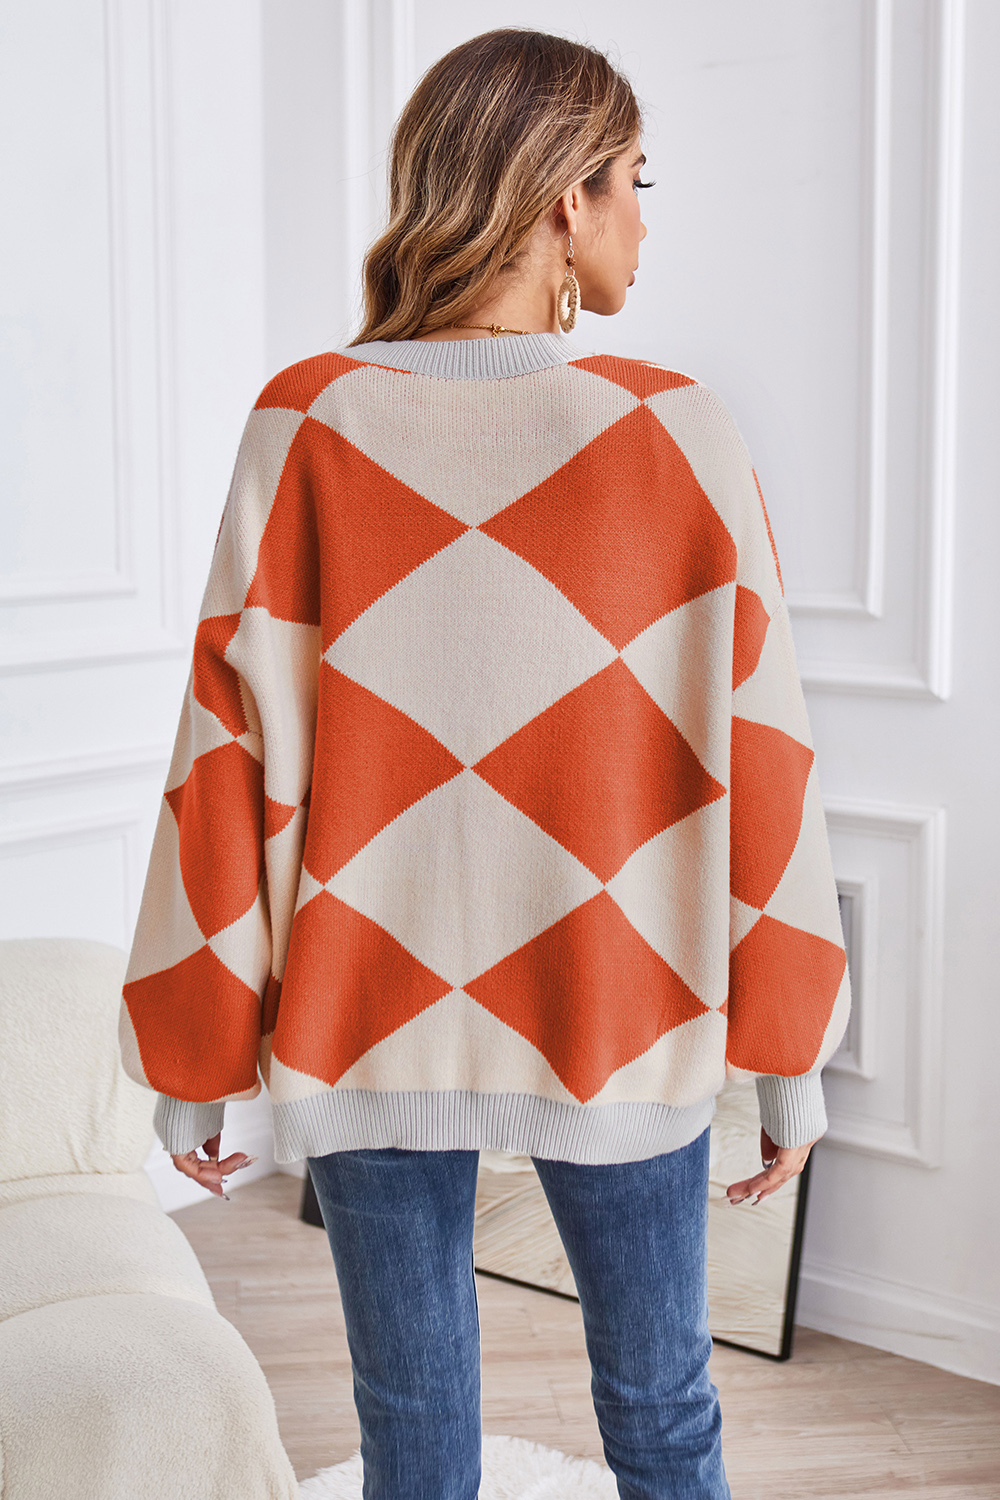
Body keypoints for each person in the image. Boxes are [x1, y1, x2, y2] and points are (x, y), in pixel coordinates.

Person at [119, 28, 850, 1500]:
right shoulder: (676, 431)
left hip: (366, 1021)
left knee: (413, 1435)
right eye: (636, 180)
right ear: (568, 198)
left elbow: (225, 752)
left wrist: (195, 1058)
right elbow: (764, 755)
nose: (645, 217)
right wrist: (788, 1055)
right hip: (623, 1015)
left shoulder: (308, 420)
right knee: (664, 1414)